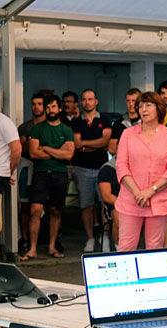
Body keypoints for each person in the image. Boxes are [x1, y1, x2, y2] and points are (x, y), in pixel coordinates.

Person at [115, 91, 167, 250]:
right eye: (140, 106)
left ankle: (152, 276)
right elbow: (121, 166)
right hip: (131, 199)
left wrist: (149, 192)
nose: (143, 109)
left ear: (159, 108)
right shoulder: (127, 134)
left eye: (148, 105)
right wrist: (138, 192)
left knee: (155, 247)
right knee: (126, 246)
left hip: (160, 200)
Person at [20, 95, 74, 260]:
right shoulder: (37, 129)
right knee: (35, 210)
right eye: (48, 107)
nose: (50, 110)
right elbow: (33, 153)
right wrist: (58, 151)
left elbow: (69, 155)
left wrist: (47, 149)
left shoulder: (66, 129)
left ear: (59, 109)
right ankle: (33, 248)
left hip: (59, 175)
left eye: (53, 107)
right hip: (40, 174)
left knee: (55, 210)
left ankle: (51, 246)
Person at [71, 89, 112, 252]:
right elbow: (77, 144)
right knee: (86, 205)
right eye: (84, 99)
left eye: (90, 99)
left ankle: (106, 237)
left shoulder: (106, 119)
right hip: (82, 168)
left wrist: (86, 144)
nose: (87, 102)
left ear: (96, 101)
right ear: (81, 102)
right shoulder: (76, 122)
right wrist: (96, 144)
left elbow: (106, 140)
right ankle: (90, 238)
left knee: (105, 204)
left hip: (102, 168)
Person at [17, 93, 46, 252]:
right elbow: (27, 150)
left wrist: (36, 147)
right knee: (25, 207)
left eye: (40, 104)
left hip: (45, 170)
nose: (37, 107)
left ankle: (44, 239)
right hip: (26, 168)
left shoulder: (50, 126)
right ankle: (25, 239)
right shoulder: (24, 127)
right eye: (34, 104)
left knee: (44, 208)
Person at [108, 88, 142, 155]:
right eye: (128, 101)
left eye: (133, 101)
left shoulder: (146, 122)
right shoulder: (118, 124)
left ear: (140, 101)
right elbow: (112, 149)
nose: (131, 104)